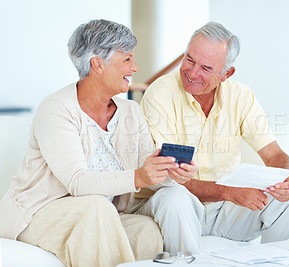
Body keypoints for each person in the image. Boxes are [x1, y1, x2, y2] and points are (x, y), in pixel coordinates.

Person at [0, 19, 195, 267]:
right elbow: (78, 181)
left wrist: (171, 172)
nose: (135, 67)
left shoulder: (130, 112)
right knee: (95, 207)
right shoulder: (57, 110)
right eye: (127, 59)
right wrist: (139, 177)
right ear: (97, 64)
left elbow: (147, 169)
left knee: (145, 230)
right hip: (38, 213)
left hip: (98, 212)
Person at [137, 21, 289, 254]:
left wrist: (284, 180)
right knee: (173, 197)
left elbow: (274, 154)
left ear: (227, 73)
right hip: (177, 203)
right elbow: (169, 178)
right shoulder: (160, 94)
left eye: (206, 68)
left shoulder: (242, 96)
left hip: (225, 211)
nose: (192, 73)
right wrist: (229, 192)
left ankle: (280, 261)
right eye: (189, 59)